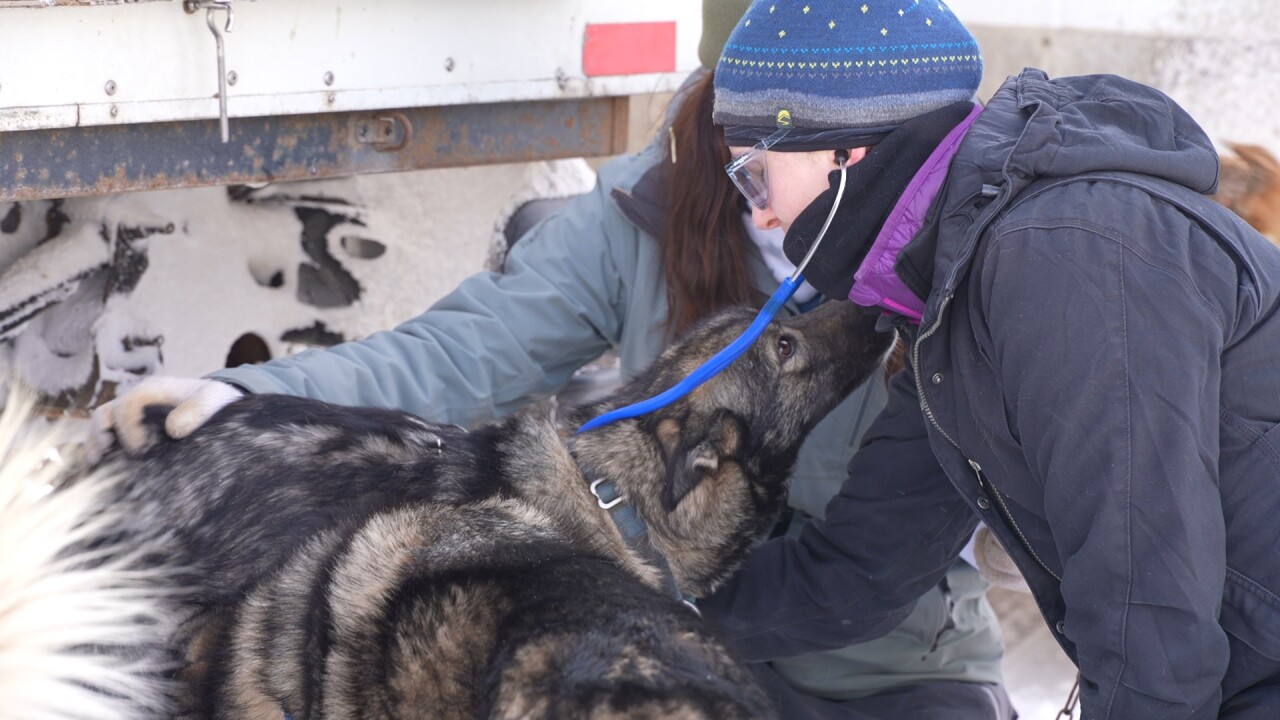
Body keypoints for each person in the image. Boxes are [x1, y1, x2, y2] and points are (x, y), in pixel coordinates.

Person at [89, 2, 1019, 718]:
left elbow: (895, 560)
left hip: (894, 668)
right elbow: (459, 356)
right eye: (752, 143)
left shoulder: (946, 253)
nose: (769, 186)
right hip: (649, 646)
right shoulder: (642, 220)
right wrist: (244, 395)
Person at [694, 1, 1280, 718]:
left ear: (844, 150)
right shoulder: (948, 301)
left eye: (755, 172)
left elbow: (1147, 614)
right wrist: (635, 595)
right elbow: (862, 570)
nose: (761, 214)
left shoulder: (1063, 256)